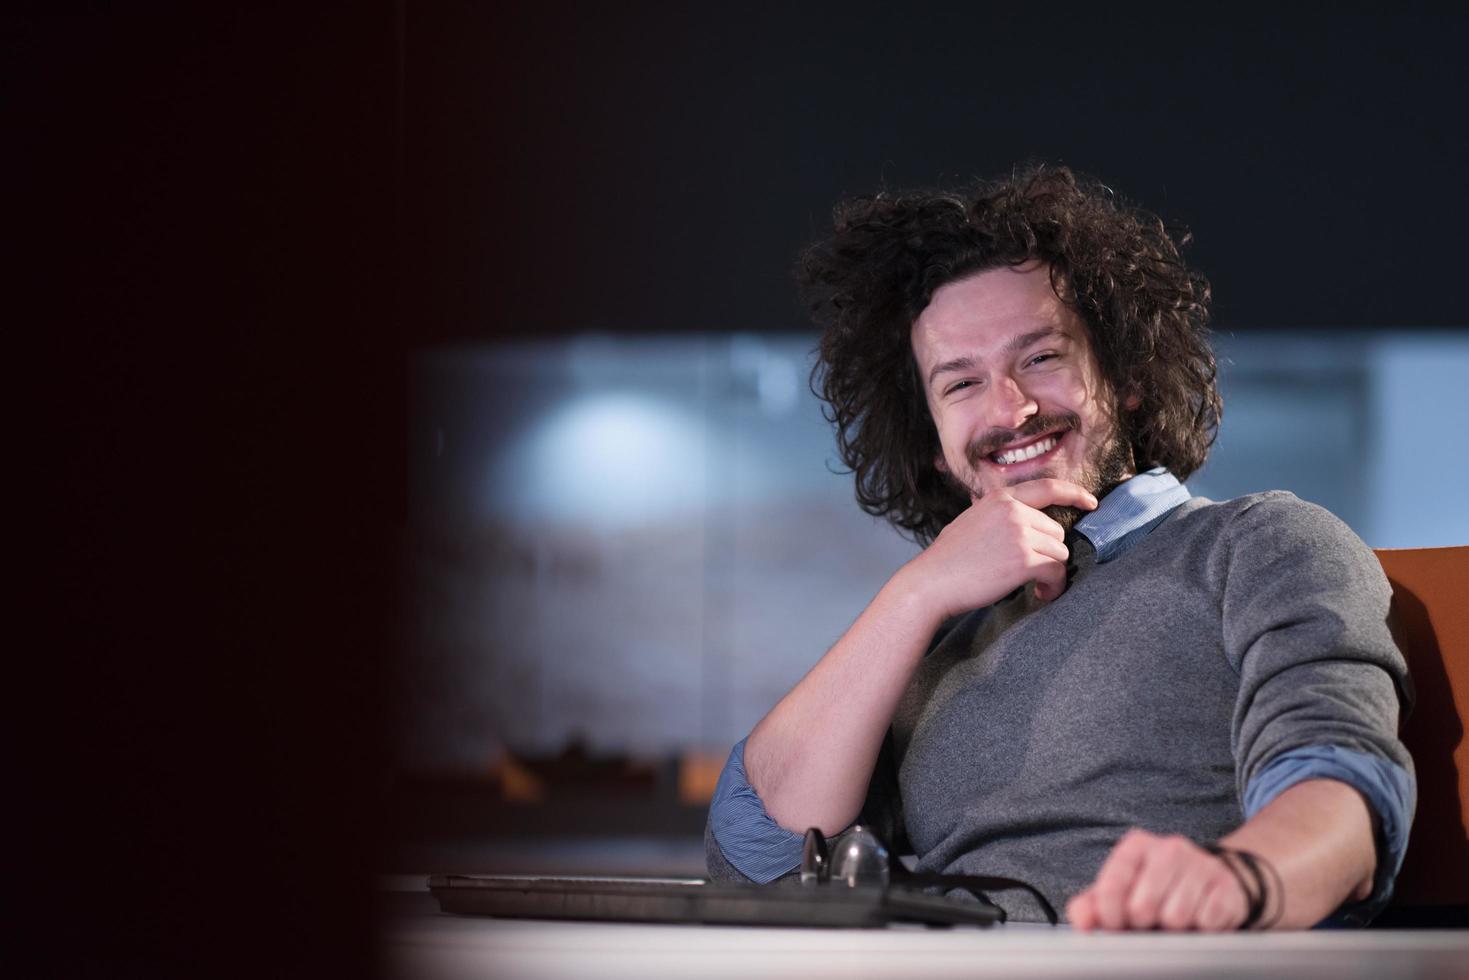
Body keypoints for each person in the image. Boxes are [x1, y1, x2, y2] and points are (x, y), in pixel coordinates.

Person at [704, 165, 1415, 930]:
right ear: (935, 444)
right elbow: (755, 856)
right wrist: (916, 592)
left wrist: (1245, 878)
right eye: (960, 383)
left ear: (1126, 377)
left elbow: (1342, 785)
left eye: (1040, 358)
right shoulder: (932, 629)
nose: (1010, 410)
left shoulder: (1258, 543)